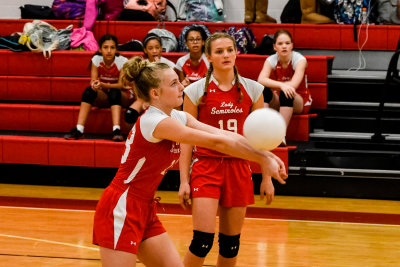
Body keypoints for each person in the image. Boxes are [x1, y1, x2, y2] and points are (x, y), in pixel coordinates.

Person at [92, 56, 288, 266]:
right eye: (173, 83)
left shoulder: (179, 117)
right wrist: (260, 158)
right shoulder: (155, 121)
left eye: (179, 81)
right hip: (122, 206)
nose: (181, 86)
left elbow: (227, 136)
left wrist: (267, 155)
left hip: (145, 207)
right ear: (155, 93)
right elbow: (216, 143)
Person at [178, 32, 277, 267]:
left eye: (230, 50)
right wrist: (183, 180)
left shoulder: (253, 89)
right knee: (201, 241)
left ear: (236, 53)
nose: (226, 55)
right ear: (209, 57)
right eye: (219, 51)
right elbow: (186, 138)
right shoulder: (194, 91)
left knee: (230, 245)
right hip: (206, 166)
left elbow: (261, 138)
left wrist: (266, 177)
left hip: (239, 168)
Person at [64, 34, 134, 141]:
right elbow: (93, 81)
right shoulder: (96, 59)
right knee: (89, 91)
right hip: (105, 95)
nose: (109, 51)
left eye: (112, 47)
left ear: (116, 50)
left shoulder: (122, 61)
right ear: (100, 50)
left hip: (122, 96)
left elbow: (120, 85)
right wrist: (95, 85)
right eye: (106, 47)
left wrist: (103, 85)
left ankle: (116, 130)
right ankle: (79, 129)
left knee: (114, 91)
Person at [257, 29, 312, 146]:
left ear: (292, 45)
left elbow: (294, 84)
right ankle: (263, 131)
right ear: (274, 47)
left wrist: (281, 86)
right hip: (281, 95)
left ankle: (280, 134)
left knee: (287, 92)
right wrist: (281, 85)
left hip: (300, 99)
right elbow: (261, 80)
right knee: (263, 91)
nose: (284, 47)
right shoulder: (271, 59)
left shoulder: (299, 59)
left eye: (287, 43)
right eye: (280, 44)